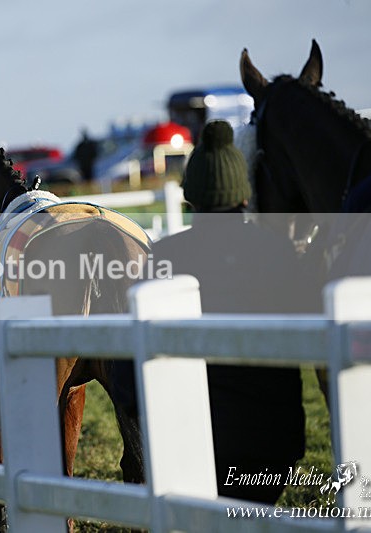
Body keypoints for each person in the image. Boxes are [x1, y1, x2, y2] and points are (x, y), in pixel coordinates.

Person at [119, 121, 317, 504]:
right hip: (272, 443)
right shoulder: (276, 252)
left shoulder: (165, 256)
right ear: (243, 195)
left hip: (188, 440)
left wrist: (139, 410)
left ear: (192, 196)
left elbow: (129, 366)